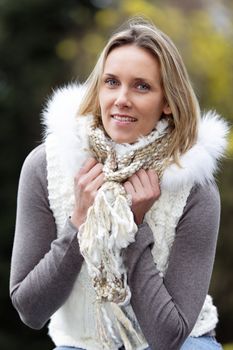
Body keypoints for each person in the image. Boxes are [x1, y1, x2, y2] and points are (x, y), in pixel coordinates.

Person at [10, 18, 228, 350]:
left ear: (168, 101)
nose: (121, 99)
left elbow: (169, 338)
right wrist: (80, 222)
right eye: (111, 82)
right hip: (81, 344)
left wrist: (133, 229)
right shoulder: (47, 166)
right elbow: (30, 310)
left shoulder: (193, 187)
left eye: (141, 86)